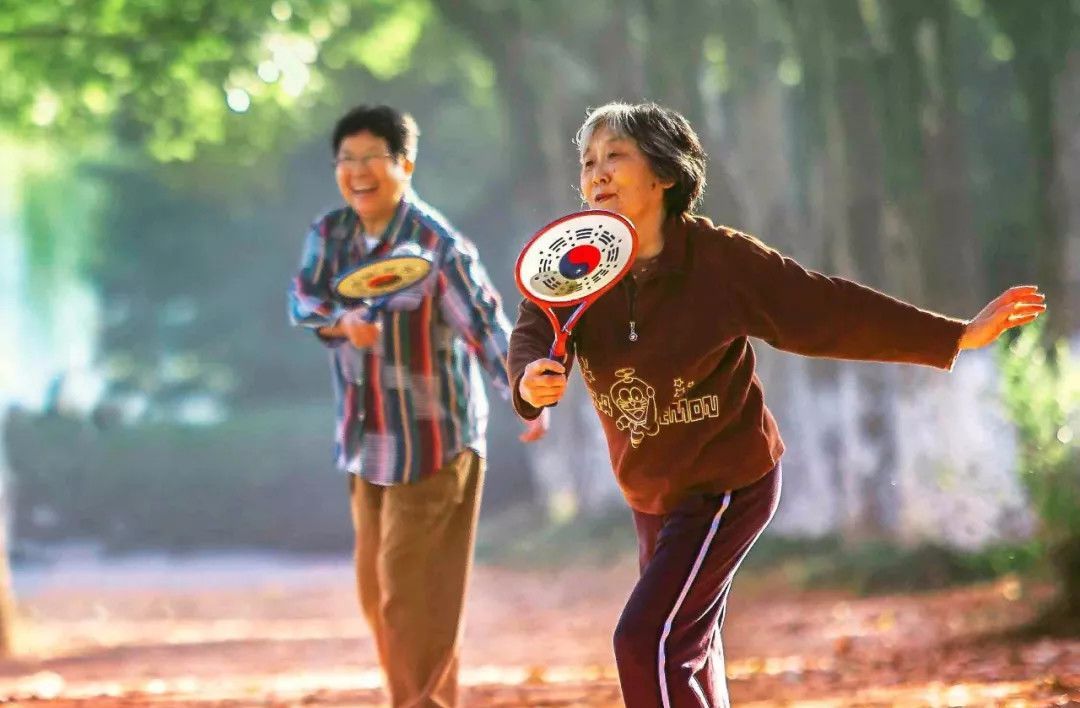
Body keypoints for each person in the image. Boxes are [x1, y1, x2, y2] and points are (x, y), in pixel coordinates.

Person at [508, 101, 1045, 707]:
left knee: (646, 643)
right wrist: (530, 383)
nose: (597, 174)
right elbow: (535, 329)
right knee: (688, 643)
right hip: (650, 490)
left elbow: (824, 309)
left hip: (726, 484)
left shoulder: (720, 261)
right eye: (587, 162)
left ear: (663, 173)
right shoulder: (574, 264)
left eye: (616, 157)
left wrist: (952, 335)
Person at [289, 104, 548, 708]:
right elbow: (303, 299)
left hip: (437, 445)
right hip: (365, 443)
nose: (357, 172)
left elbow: (486, 326)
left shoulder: (436, 246)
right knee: (381, 596)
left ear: (404, 164)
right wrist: (339, 320)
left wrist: (525, 393)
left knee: (409, 592)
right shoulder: (330, 235)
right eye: (345, 160)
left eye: (371, 158)